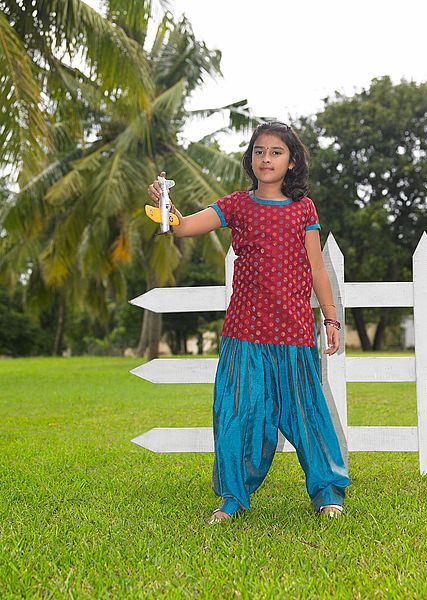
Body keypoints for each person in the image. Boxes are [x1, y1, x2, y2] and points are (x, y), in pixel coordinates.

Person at [147, 121, 350, 524]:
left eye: (276, 152)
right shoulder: (237, 204)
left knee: (307, 413)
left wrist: (330, 318)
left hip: (292, 332)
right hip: (245, 332)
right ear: (250, 158)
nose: (266, 159)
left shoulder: (303, 208)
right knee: (238, 415)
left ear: (292, 162)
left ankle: (328, 493)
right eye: (259, 151)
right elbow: (185, 227)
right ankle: (232, 499)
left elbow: (317, 269)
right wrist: (167, 208)